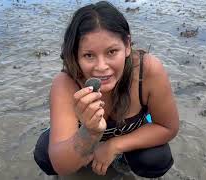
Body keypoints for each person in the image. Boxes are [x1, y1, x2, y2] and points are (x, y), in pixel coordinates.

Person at [34, 1, 179, 178]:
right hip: (85, 139)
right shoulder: (66, 83)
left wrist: (114, 146)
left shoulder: (146, 70)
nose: (102, 67)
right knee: (45, 153)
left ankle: (123, 159)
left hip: (128, 139)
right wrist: (88, 132)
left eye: (111, 52)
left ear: (127, 45)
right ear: (76, 56)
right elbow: (61, 167)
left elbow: (168, 127)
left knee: (156, 159)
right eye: (89, 55)